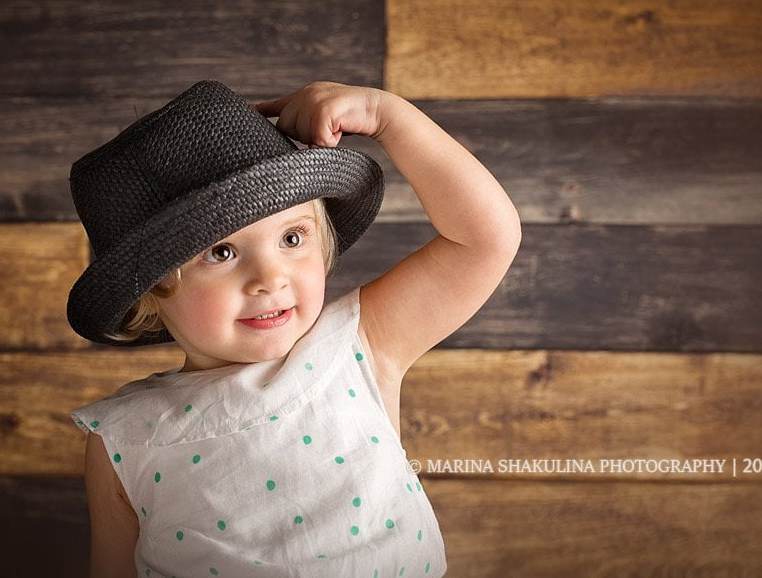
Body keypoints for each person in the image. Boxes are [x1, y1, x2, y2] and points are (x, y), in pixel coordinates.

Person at [67, 79, 522, 577]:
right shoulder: (125, 435)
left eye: (291, 237)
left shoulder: (359, 344)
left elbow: (485, 239)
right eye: (221, 252)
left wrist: (387, 116)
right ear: (150, 289)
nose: (269, 278)